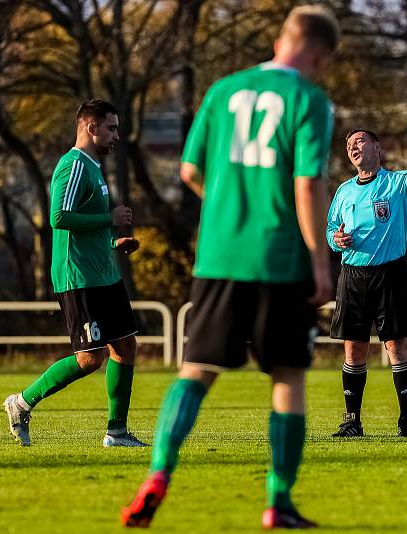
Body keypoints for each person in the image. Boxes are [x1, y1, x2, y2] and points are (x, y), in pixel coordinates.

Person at [120, 5, 339, 529]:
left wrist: (223, 204)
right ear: (317, 52)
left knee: (196, 371)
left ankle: (158, 473)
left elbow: (191, 169)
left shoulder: (221, 90)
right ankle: (277, 502)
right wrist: (319, 261)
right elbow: (307, 184)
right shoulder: (309, 100)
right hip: (279, 259)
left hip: (218, 256)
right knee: (287, 378)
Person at [3, 99, 145, 448]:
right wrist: (108, 219)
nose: (116, 135)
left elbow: (86, 225)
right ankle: (21, 403)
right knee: (89, 359)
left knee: (125, 347)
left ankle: (117, 432)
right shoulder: (74, 165)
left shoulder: (95, 167)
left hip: (103, 273)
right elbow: (59, 218)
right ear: (91, 127)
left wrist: (114, 240)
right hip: (78, 277)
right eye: (111, 128)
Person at [327, 129, 407, 438]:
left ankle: (406, 423)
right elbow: (331, 228)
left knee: (397, 346)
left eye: (359, 141)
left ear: (377, 147)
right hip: (352, 276)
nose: (353, 147)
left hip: (389, 274)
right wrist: (336, 239)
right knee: (354, 349)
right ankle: (352, 421)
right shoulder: (344, 191)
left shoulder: (396, 184)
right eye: (348, 144)